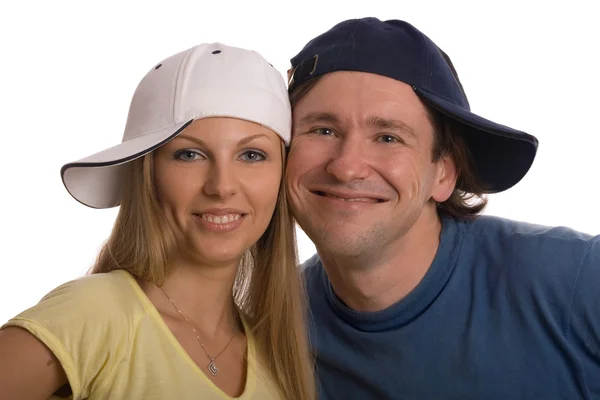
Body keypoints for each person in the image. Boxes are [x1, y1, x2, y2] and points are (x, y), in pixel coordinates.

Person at [285, 17, 600, 399]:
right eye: (323, 130)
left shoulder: (577, 281)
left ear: (444, 174)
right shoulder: (276, 329)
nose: (347, 165)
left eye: (388, 137)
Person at [0, 43, 315, 400]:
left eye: (252, 154)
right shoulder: (94, 314)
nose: (222, 186)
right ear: (148, 174)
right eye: (189, 154)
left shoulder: (276, 363)